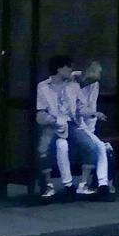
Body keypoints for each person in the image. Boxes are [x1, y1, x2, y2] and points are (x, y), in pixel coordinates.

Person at [34, 55, 80, 199]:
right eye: (68, 67)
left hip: (70, 123)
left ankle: (67, 184)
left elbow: (80, 105)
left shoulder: (72, 85)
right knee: (46, 147)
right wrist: (52, 120)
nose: (71, 70)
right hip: (53, 122)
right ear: (59, 69)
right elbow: (41, 111)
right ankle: (49, 183)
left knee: (64, 145)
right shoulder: (43, 86)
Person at [70, 61, 114, 197]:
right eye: (90, 79)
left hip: (84, 125)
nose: (92, 82)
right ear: (85, 73)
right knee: (100, 147)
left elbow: (91, 107)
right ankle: (101, 184)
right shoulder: (71, 81)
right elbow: (77, 109)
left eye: (94, 80)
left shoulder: (94, 84)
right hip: (72, 124)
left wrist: (90, 131)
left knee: (102, 147)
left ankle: (102, 184)